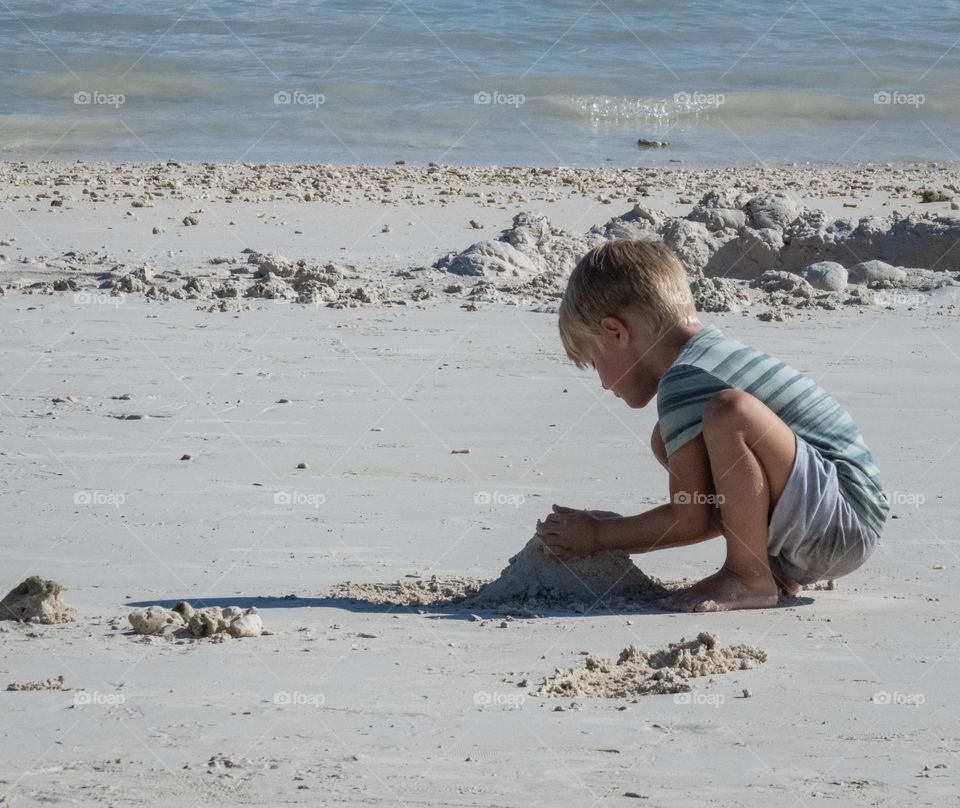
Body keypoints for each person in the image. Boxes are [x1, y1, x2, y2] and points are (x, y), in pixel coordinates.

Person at [535, 240, 889, 612]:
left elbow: (690, 517)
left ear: (616, 332)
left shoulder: (686, 377)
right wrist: (618, 530)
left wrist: (598, 536)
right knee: (668, 439)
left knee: (730, 413)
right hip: (827, 528)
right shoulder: (706, 354)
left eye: (594, 363)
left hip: (844, 522)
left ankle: (748, 578)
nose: (604, 384)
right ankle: (767, 570)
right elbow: (707, 507)